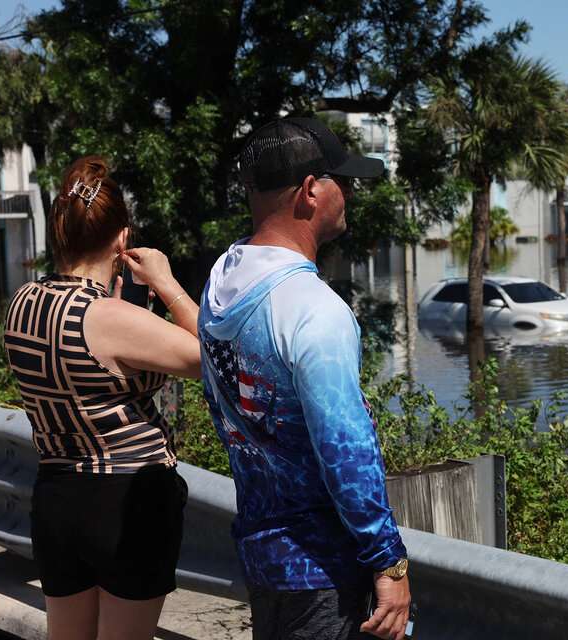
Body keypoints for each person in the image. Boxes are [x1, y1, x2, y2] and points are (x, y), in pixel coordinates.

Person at [197, 118, 410, 640]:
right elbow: (345, 450)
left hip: (262, 558)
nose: (350, 194)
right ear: (311, 190)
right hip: (323, 571)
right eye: (344, 181)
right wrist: (389, 561)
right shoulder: (314, 309)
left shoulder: (222, 282)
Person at [3, 156, 202, 640]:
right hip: (128, 500)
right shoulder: (112, 319)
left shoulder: (21, 303)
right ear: (121, 239)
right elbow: (213, 358)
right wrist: (166, 283)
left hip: (57, 496)